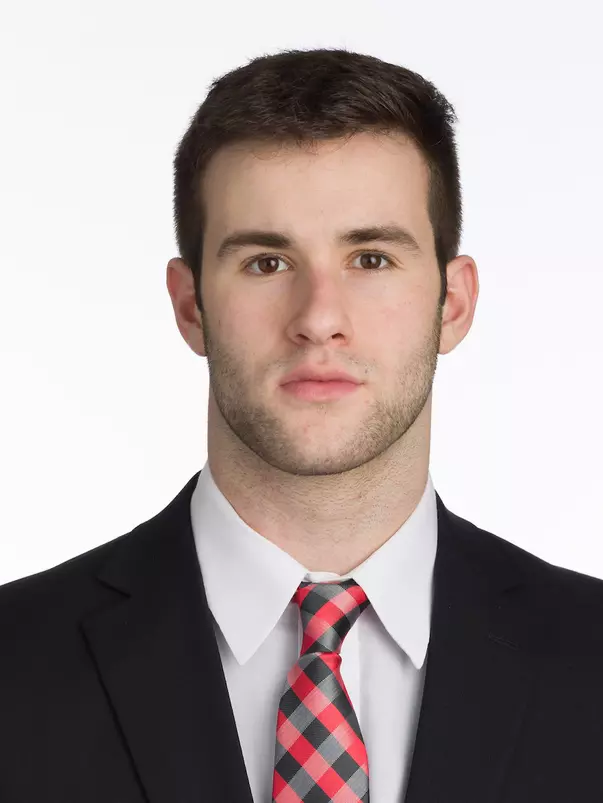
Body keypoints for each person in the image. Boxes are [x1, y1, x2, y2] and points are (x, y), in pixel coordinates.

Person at [1, 46, 602, 803]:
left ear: (452, 302)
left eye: (372, 258)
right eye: (266, 263)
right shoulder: (14, 665)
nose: (319, 318)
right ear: (190, 306)